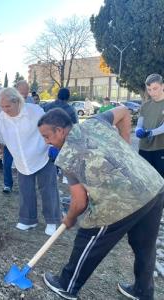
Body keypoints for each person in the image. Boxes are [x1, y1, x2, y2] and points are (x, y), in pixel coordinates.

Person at [38, 107, 164, 300]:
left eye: (47, 136)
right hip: (153, 187)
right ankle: (143, 292)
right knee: (144, 245)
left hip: (122, 199)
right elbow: (123, 111)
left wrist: (70, 218)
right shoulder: (95, 121)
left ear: (61, 130)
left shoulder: (68, 156)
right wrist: (126, 145)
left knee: (88, 236)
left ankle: (67, 284)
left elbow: (80, 203)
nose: (46, 141)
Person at [0, 87, 61, 236]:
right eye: (2, 107)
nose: (5, 110)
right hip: (22, 160)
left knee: (48, 190)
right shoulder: (1, 118)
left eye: (8, 106)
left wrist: (54, 145)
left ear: (17, 101)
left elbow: (50, 128)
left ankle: (52, 220)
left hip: (42, 156)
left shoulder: (34, 111)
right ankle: (28, 220)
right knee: (26, 191)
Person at [135, 73, 164, 177]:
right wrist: (138, 130)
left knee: (161, 182)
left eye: (155, 88)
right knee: (145, 180)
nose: (152, 93)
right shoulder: (145, 105)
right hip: (144, 149)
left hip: (160, 149)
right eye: (149, 89)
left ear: (163, 86)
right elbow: (139, 124)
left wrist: (151, 132)